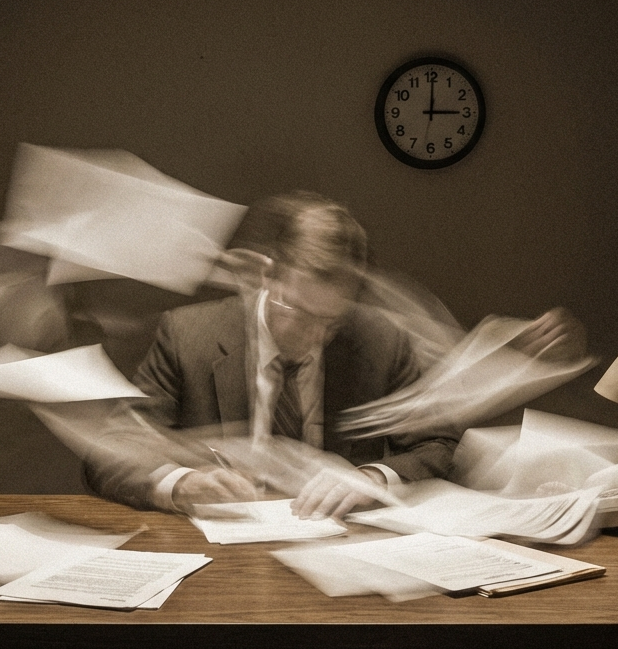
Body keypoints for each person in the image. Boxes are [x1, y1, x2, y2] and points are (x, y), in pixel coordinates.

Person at [82, 191, 581, 518]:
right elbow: (110, 454)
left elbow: (439, 446)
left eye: (332, 321)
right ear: (268, 276)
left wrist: (370, 478)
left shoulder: (378, 341)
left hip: (336, 554)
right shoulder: (188, 335)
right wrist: (181, 483)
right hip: (214, 561)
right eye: (298, 311)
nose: (314, 337)